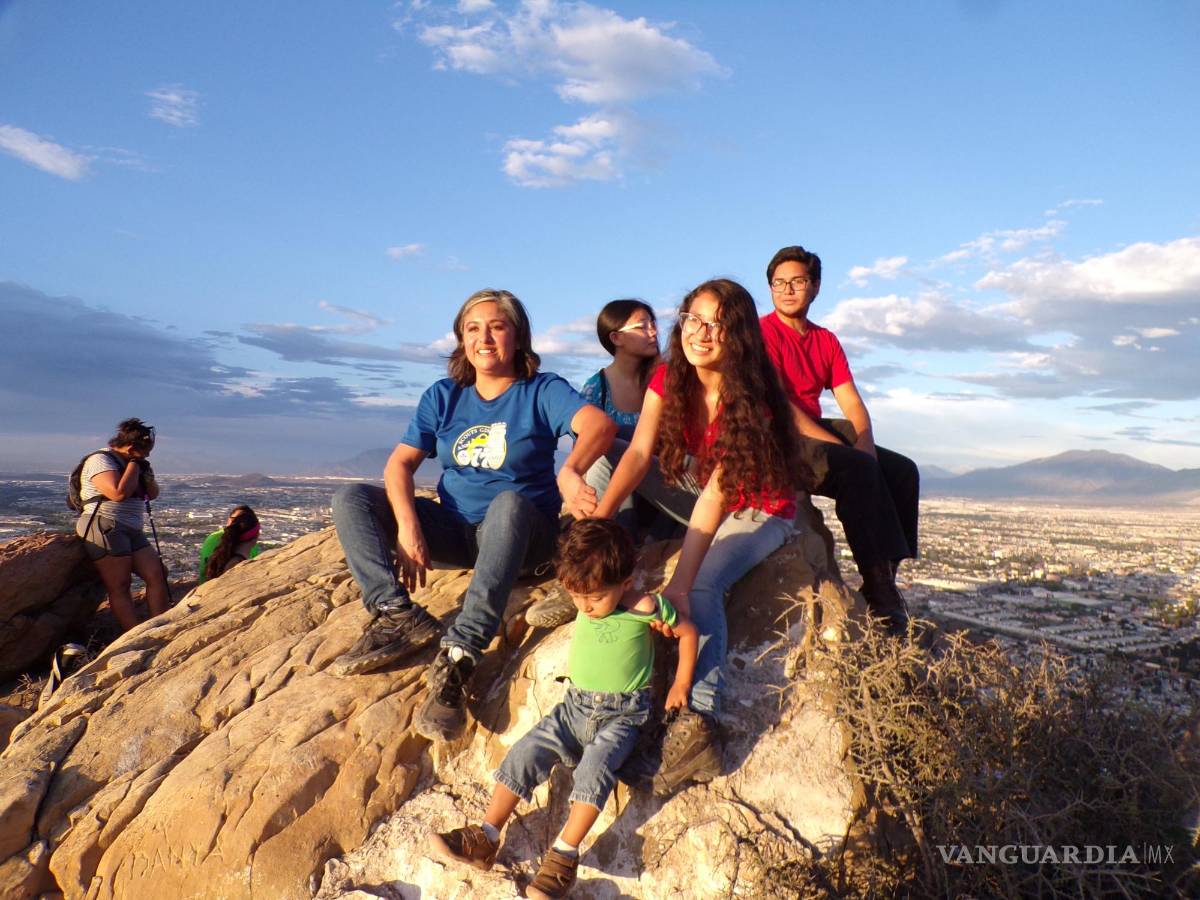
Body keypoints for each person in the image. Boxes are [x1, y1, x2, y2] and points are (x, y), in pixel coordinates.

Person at [331, 289, 617, 744]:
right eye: (473, 329)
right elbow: (398, 465)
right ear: (461, 340)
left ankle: (462, 653)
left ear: (518, 336)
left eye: (497, 327)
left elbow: (599, 426)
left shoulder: (542, 390)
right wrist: (408, 527)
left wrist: (572, 471)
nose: (485, 338)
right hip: (458, 530)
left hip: (523, 535)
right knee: (352, 499)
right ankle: (394, 613)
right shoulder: (445, 395)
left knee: (507, 502)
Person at [589, 278, 809, 794]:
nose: (702, 333)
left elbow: (718, 496)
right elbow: (641, 453)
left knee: (706, 586)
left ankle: (699, 724)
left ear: (739, 337)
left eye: (718, 324)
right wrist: (599, 526)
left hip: (758, 506)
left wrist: (682, 582)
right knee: (614, 454)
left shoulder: (749, 395)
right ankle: (599, 575)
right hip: (701, 491)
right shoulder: (669, 376)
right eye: (694, 319)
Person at [427, 518, 698, 899]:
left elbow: (688, 632)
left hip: (621, 716)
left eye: (595, 598)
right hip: (572, 709)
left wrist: (681, 682)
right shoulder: (586, 598)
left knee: (593, 771)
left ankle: (563, 857)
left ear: (625, 581)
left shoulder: (644, 606)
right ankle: (486, 836)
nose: (586, 606)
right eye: (577, 597)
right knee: (524, 753)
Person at [761, 245, 920, 635]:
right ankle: (879, 587)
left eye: (796, 281)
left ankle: (884, 573)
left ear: (814, 287)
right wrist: (847, 454)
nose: (786, 290)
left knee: (902, 471)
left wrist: (865, 444)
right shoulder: (762, 333)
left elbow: (851, 400)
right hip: (776, 435)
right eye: (778, 283)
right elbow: (780, 406)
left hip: (813, 428)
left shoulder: (825, 340)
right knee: (854, 470)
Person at [75, 418, 168, 631]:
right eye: (145, 452)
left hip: (132, 528)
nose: (148, 456)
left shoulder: (135, 464)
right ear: (132, 448)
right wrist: (134, 464)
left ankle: (160, 626)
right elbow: (117, 493)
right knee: (120, 585)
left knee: (158, 573)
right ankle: (134, 634)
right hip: (105, 525)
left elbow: (151, 494)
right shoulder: (100, 460)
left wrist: (144, 472)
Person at [578, 299, 660, 443]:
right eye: (642, 327)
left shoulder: (666, 379)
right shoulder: (596, 389)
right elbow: (582, 447)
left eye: (653, 325)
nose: (653, 332)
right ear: (616, 338)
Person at [198, 505, 261, 583]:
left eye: (242, 520)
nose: (238, 523)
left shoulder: (253, 546)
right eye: (235, 519)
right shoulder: (214, 539)